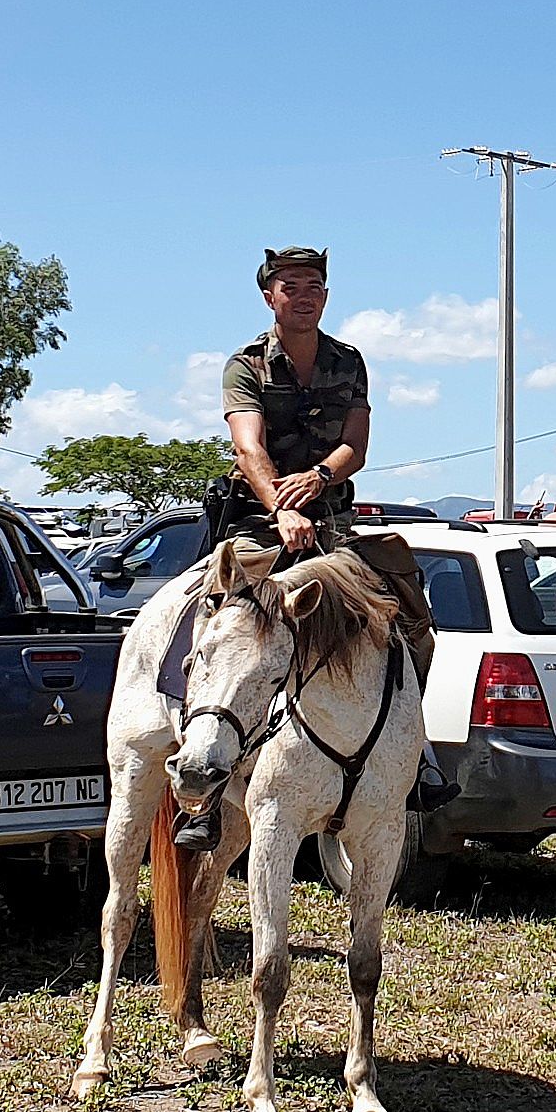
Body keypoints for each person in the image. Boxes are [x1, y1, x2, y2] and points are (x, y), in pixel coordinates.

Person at [175, 246, 447, 852]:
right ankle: (201, 788)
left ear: (326, 295)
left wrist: (320, 479)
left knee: (405, 606)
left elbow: (357, 445)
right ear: (269, 295)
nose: (304, 295)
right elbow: (249, 449)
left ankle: (415, 757)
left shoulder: (348, 361)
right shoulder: (244, 365)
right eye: (291, 285)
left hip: (329, 516)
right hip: (257, 519)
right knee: (210, 625)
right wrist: (282, 506)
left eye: (314, 286)